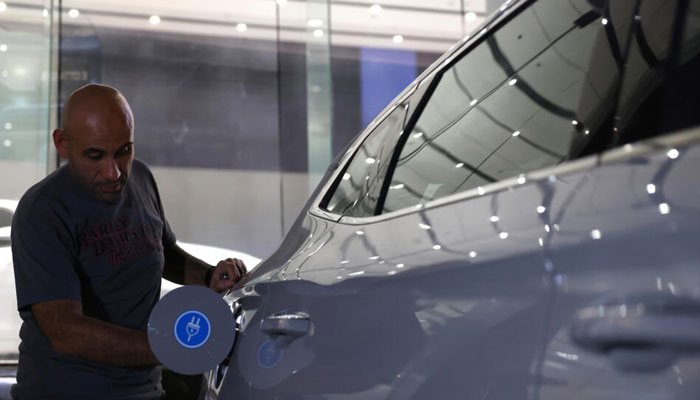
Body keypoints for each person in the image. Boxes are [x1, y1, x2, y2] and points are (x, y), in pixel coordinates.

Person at [10, 84, 247, 399]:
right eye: (95, 155)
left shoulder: (140, 179)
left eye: (124, 151)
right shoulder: (42, 212)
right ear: (62, 144)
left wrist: (208, 277)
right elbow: (65, 330)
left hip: (144, 389)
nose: (113, 172)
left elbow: (160, 249)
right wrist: (172, 347)